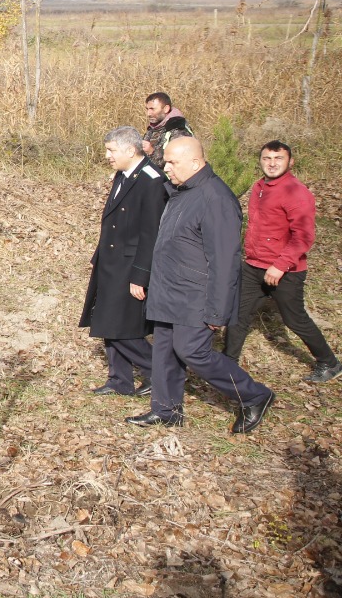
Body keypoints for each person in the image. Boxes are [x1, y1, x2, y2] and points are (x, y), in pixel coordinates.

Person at [129, 137, 275, 433]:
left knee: (193, 352)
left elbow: (225, 260)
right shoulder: (182, 191)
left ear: (195, 163)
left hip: (195, 296)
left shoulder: (215, 198)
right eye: (165, 160)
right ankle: (166, 409)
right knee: (165, 351)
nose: (165, 167)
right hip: (169, 291)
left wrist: (217, 312)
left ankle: (255, 394)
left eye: (172, 162)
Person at [224, 141, 339, 382]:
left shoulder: (296, 192)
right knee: (238, 314)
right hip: (254, 265)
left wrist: (280, 265)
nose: (272, 163)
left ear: (290, 162)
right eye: (267, 158)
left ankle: (329, 362)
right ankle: (228, 364)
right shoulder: (259, 187)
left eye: (278, 159)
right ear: (260, 160)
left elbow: (304, 236)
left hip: (285, 271)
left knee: (294, 318)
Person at [79, 126, 168, 396]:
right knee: (106, 320)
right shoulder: (124, 173)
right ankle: (120, 379)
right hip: (111, 261)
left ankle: (160, 373)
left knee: (122, 327)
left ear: (130, 150)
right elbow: (114, 221)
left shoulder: (152, 180)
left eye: (111, 150)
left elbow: (151, 233)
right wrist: (99, 256)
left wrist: (141, 276)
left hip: (130, 265)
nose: (107, 155)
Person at [141, 92, 193, 169]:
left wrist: (151, 152)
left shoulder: (179, 129)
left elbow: (176, 162)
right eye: (147, 109)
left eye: (152, 109)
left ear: (166, 109)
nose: (148, 113)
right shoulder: (154, 128)